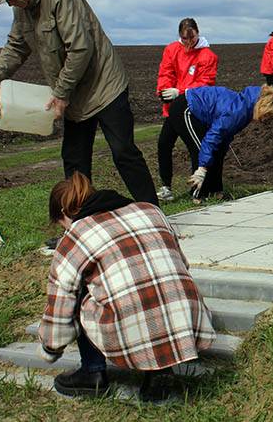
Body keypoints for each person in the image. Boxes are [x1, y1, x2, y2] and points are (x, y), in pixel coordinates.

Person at [0, 0, 158, 205]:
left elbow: (80, 49)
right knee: (75, 160)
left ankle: (153, 213)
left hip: (104, 86)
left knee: (123, 152)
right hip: (74, 95)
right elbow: (16, 46)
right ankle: (81, 219)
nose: (11, 2)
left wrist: (61, 92)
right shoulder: (21, 9)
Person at [37, 171, 215, 402]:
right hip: (184, 313)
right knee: (152, 284)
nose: (64, 230)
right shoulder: (150, 210)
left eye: (61, 225)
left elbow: (60, 303)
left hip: (133, 321)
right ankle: (160, 373)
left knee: (81, 291)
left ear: (64, 213)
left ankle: (92, 372)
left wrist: (50, 348)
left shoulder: (75, 235)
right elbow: (182, 263)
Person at [167, 85, 273, 200]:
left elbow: (226, 134)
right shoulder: (237, 112)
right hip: (186, 107)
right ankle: (198, 195)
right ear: (260, 108)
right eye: (266, 116)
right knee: (200, 149)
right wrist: (202, 168)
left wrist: (221, 151)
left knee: (217, 151)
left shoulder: (246, 109)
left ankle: (215, 191)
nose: (264, 120)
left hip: (200, 110)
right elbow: (212, 137)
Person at [156, 18, 219, 201]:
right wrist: (164, 91)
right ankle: (166, 187)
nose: (188, 43)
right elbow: (166, 72)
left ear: (197, 33)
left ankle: (198, 189)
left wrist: (181, 92)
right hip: (173, 108)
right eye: (184, 39)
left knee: (194, 147)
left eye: (192, 38)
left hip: (193, 108)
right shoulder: (172, 50)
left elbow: (205, 83)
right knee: (164, 144)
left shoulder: (208, 56)